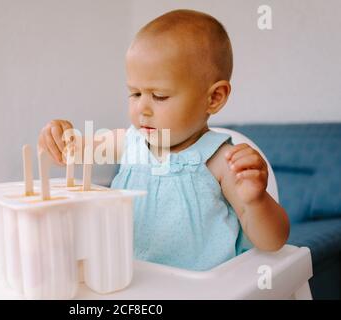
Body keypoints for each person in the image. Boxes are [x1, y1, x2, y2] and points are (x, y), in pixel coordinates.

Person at [38, 9, 289, 271]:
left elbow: (273, 242)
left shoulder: (221, 161)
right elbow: (71, 151)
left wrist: (255, 201)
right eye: (135, 94)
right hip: (129, 282)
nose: (142, 109)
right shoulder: (130, 143)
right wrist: (57, 137)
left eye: (159, 96)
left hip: (198, 291)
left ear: (214, 98)